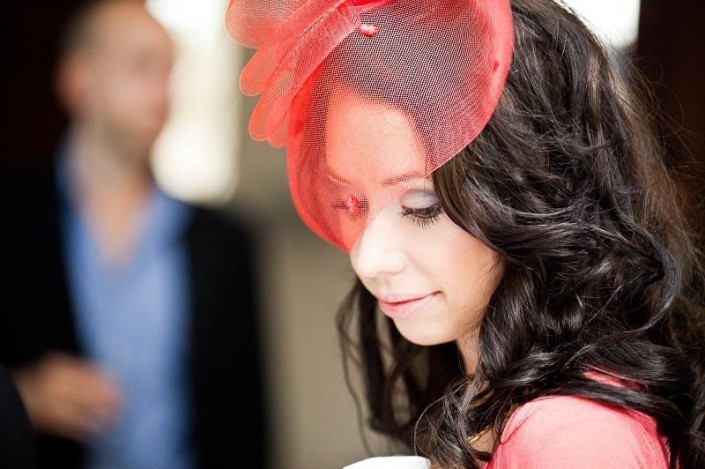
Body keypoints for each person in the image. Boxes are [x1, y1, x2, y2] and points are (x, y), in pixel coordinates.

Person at [224, 0, 705, 467]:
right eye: (352, 202)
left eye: (421, 208)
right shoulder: (492, 399)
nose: (368, 258)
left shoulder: (571, 438)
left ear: (532, 192)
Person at [0, 0, 270, 468]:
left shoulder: (223, 242)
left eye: (168, 71)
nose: (161, 91)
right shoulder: (8, 222)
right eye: (140, 67)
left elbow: (250, 420)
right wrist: (18, 397)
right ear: (77, 80)